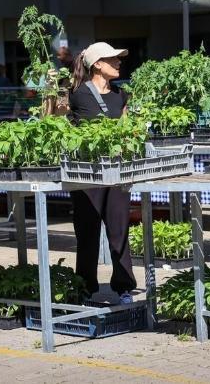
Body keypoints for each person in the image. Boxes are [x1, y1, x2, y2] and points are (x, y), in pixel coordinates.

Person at [68, 42, 137, 304]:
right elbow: (55, 118)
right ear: (97, 64)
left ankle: (124, 287)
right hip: (86, 176)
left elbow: (128, 130)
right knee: (87, 233)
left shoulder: (121, 95)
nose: (119, 63)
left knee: (119, 232)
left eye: (119, 59)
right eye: (113, 59)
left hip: (116, 173)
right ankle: (84, 288)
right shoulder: (78, 93)